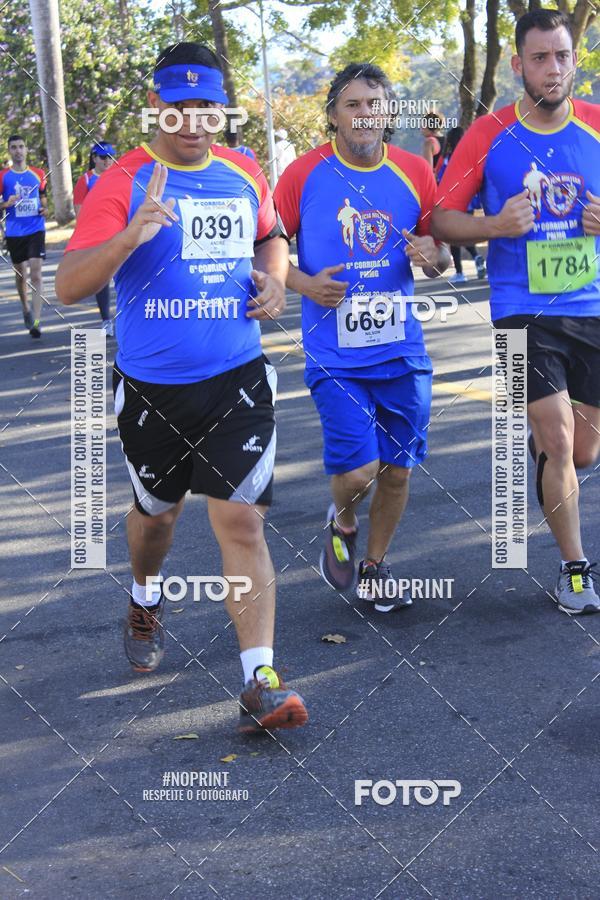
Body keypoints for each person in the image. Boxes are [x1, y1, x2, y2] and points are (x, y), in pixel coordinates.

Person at [55, 42, 308, 732]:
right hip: (153, 392)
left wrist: (276, 279)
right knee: (157, 520)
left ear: (221, 110)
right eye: (179, 107)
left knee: (241, 518)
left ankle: (260, 678)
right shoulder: (126, 181)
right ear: (156, 107)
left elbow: (271, 236)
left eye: (207, 107)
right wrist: (127, 239)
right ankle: (144, 593)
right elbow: (70, 287)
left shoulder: (242, 171)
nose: (194, 120)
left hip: (237, 379)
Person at [433, 9, 600, 614]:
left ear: (573, 59)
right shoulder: (488, 136)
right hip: (521, 310)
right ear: (517, 65)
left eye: (561, 57)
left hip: (593, 306)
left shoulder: (599, 127)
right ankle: (575, 570)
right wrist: (494, 225)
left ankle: (558, 461)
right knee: (556, 438)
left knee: (583, 450)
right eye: (539, 58)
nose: (552, 70)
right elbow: (443, 220)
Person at [274, 63, 450, 612]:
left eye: (375, 104)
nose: (365, 114)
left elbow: (441, 252)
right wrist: (303, 283)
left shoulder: (416, 172)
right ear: (332, 115)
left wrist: (434, 259)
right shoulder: (302, 175)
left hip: (402, 350)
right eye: (352, 104)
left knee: (397, 470)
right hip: (335, 354)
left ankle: (375, 566)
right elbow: (265, 248)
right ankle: (343, 518)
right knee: (358, 469)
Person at [0, 134, 48, 338]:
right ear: (9, 151)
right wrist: (5, 204)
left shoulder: (38, 173)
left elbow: (44, 199)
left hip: (36, 229)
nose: (18, 150)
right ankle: (25, 308)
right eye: (14, 147)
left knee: (36, 273)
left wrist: (44, 209)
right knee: (21, 274)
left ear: (26, 149)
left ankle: (36, 321)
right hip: (14, 231)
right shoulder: (3, 177)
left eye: (21, 146)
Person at [73, 141, 117, 336]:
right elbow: (80, 212)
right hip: (98, 237)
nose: (107, 161)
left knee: (127, 276)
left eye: (110, 157)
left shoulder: (120, 177)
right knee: (103, 279)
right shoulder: (86, 180)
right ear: (94, 158)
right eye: (103, 157)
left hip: (120, 232)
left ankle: (128, 318)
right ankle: (106, 320)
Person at [436, 127, 486, 283]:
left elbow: (442, 179)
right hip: (470, 202)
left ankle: (460, 273)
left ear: (450, 141)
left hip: (453, 202)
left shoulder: (448, 159)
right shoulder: (471, 158)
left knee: (453, 237)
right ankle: (477, 257)